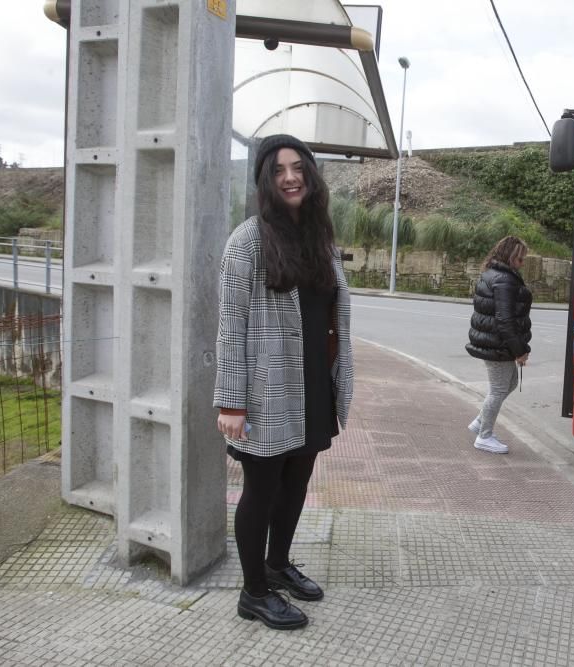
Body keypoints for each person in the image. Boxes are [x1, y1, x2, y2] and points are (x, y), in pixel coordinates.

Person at [213, 134, 354, 631]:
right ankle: (253, 592)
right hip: (266, 390)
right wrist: (231, 402)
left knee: (296, 483)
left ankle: (278, 564)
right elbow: (231, 325)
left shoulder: (320, 238)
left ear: (311, 176)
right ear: (265, 182)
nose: (290, 177)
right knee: (261, 488)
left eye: (298, 168)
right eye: (278, 170)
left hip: (314, 384)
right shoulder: (247, 241)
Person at [465, 236, 532, 454]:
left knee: (510, 382)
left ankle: (479, 423)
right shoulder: (504, 280)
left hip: (496, 342)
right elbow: (505, 321)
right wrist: (520, 351)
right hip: (498, 344)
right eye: (520, 259)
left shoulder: (496, 274)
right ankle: (484, 436)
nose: (522, 263)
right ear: (510, 257)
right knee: (498, 389)